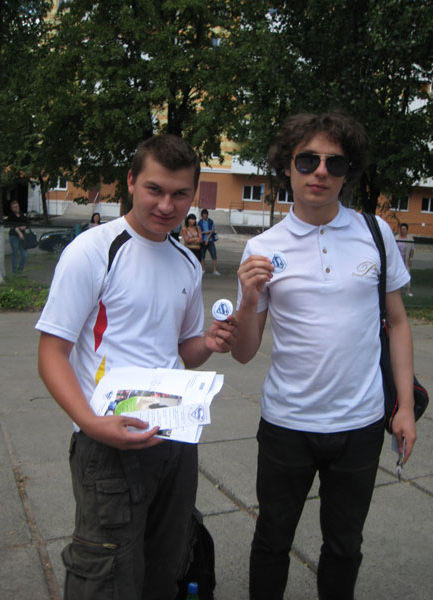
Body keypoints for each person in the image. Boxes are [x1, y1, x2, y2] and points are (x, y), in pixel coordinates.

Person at [35, 134, 237, 600]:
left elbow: (182, 351)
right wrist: (92, 425)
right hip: (108, 442)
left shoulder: (187, 263)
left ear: (193, 194)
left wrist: (208, 343)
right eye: (154, 190)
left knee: (164, 569)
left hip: (174, 440)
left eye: (180, 194)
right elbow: (51, 354)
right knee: (104, 575)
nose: (167, 205)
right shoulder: (93, 251)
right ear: (130, 182)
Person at [232, 111, 416, 600]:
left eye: (334, 163)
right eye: (307, 160)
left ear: (347, 172)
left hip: (360, 425)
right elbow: (244, 354)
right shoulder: (263, 248)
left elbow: (398, 323)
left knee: (345, 545)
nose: (320, 172)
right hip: (287, 424)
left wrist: (404, 408)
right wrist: (249, 301)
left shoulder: (375, 233)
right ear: (286, 166)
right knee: (272, 540)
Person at [8, 199, 28, 274]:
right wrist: (20, 232)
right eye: (14, 207)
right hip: (14, 236)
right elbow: (13, 226)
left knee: (24, 255)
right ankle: (15, 271)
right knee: (15, 253)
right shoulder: (11, 215)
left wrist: (24, 227)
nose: (16, 208)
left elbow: (26, 223)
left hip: (22, 237)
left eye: (17, 206)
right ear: (11, 208)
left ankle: (20, 269)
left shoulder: (21, 214)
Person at [198, 209, 220, 275]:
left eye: (206, 214)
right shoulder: (199, 222)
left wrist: (207, 238)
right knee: (202, 256)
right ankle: (202, 269)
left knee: (214, 255)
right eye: (204, 214)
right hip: (202, 241)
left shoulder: (210, 221)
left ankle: (214, 270)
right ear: (202, 215)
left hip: (210, 240)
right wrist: (209, 231)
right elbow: (200, 232)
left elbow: (212, 231)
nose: (205, 215)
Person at [395, 222, 415, 296]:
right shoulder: (396, 238)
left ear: (407, 230)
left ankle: (408, 290)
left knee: (407, 274)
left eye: (404, 229)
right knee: (397, 275)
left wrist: (410, 259)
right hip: (397, 260)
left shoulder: (410, 239)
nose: (403, 231)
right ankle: (397, 291)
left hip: (406, 260)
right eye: (402, 229)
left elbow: (412, 249)